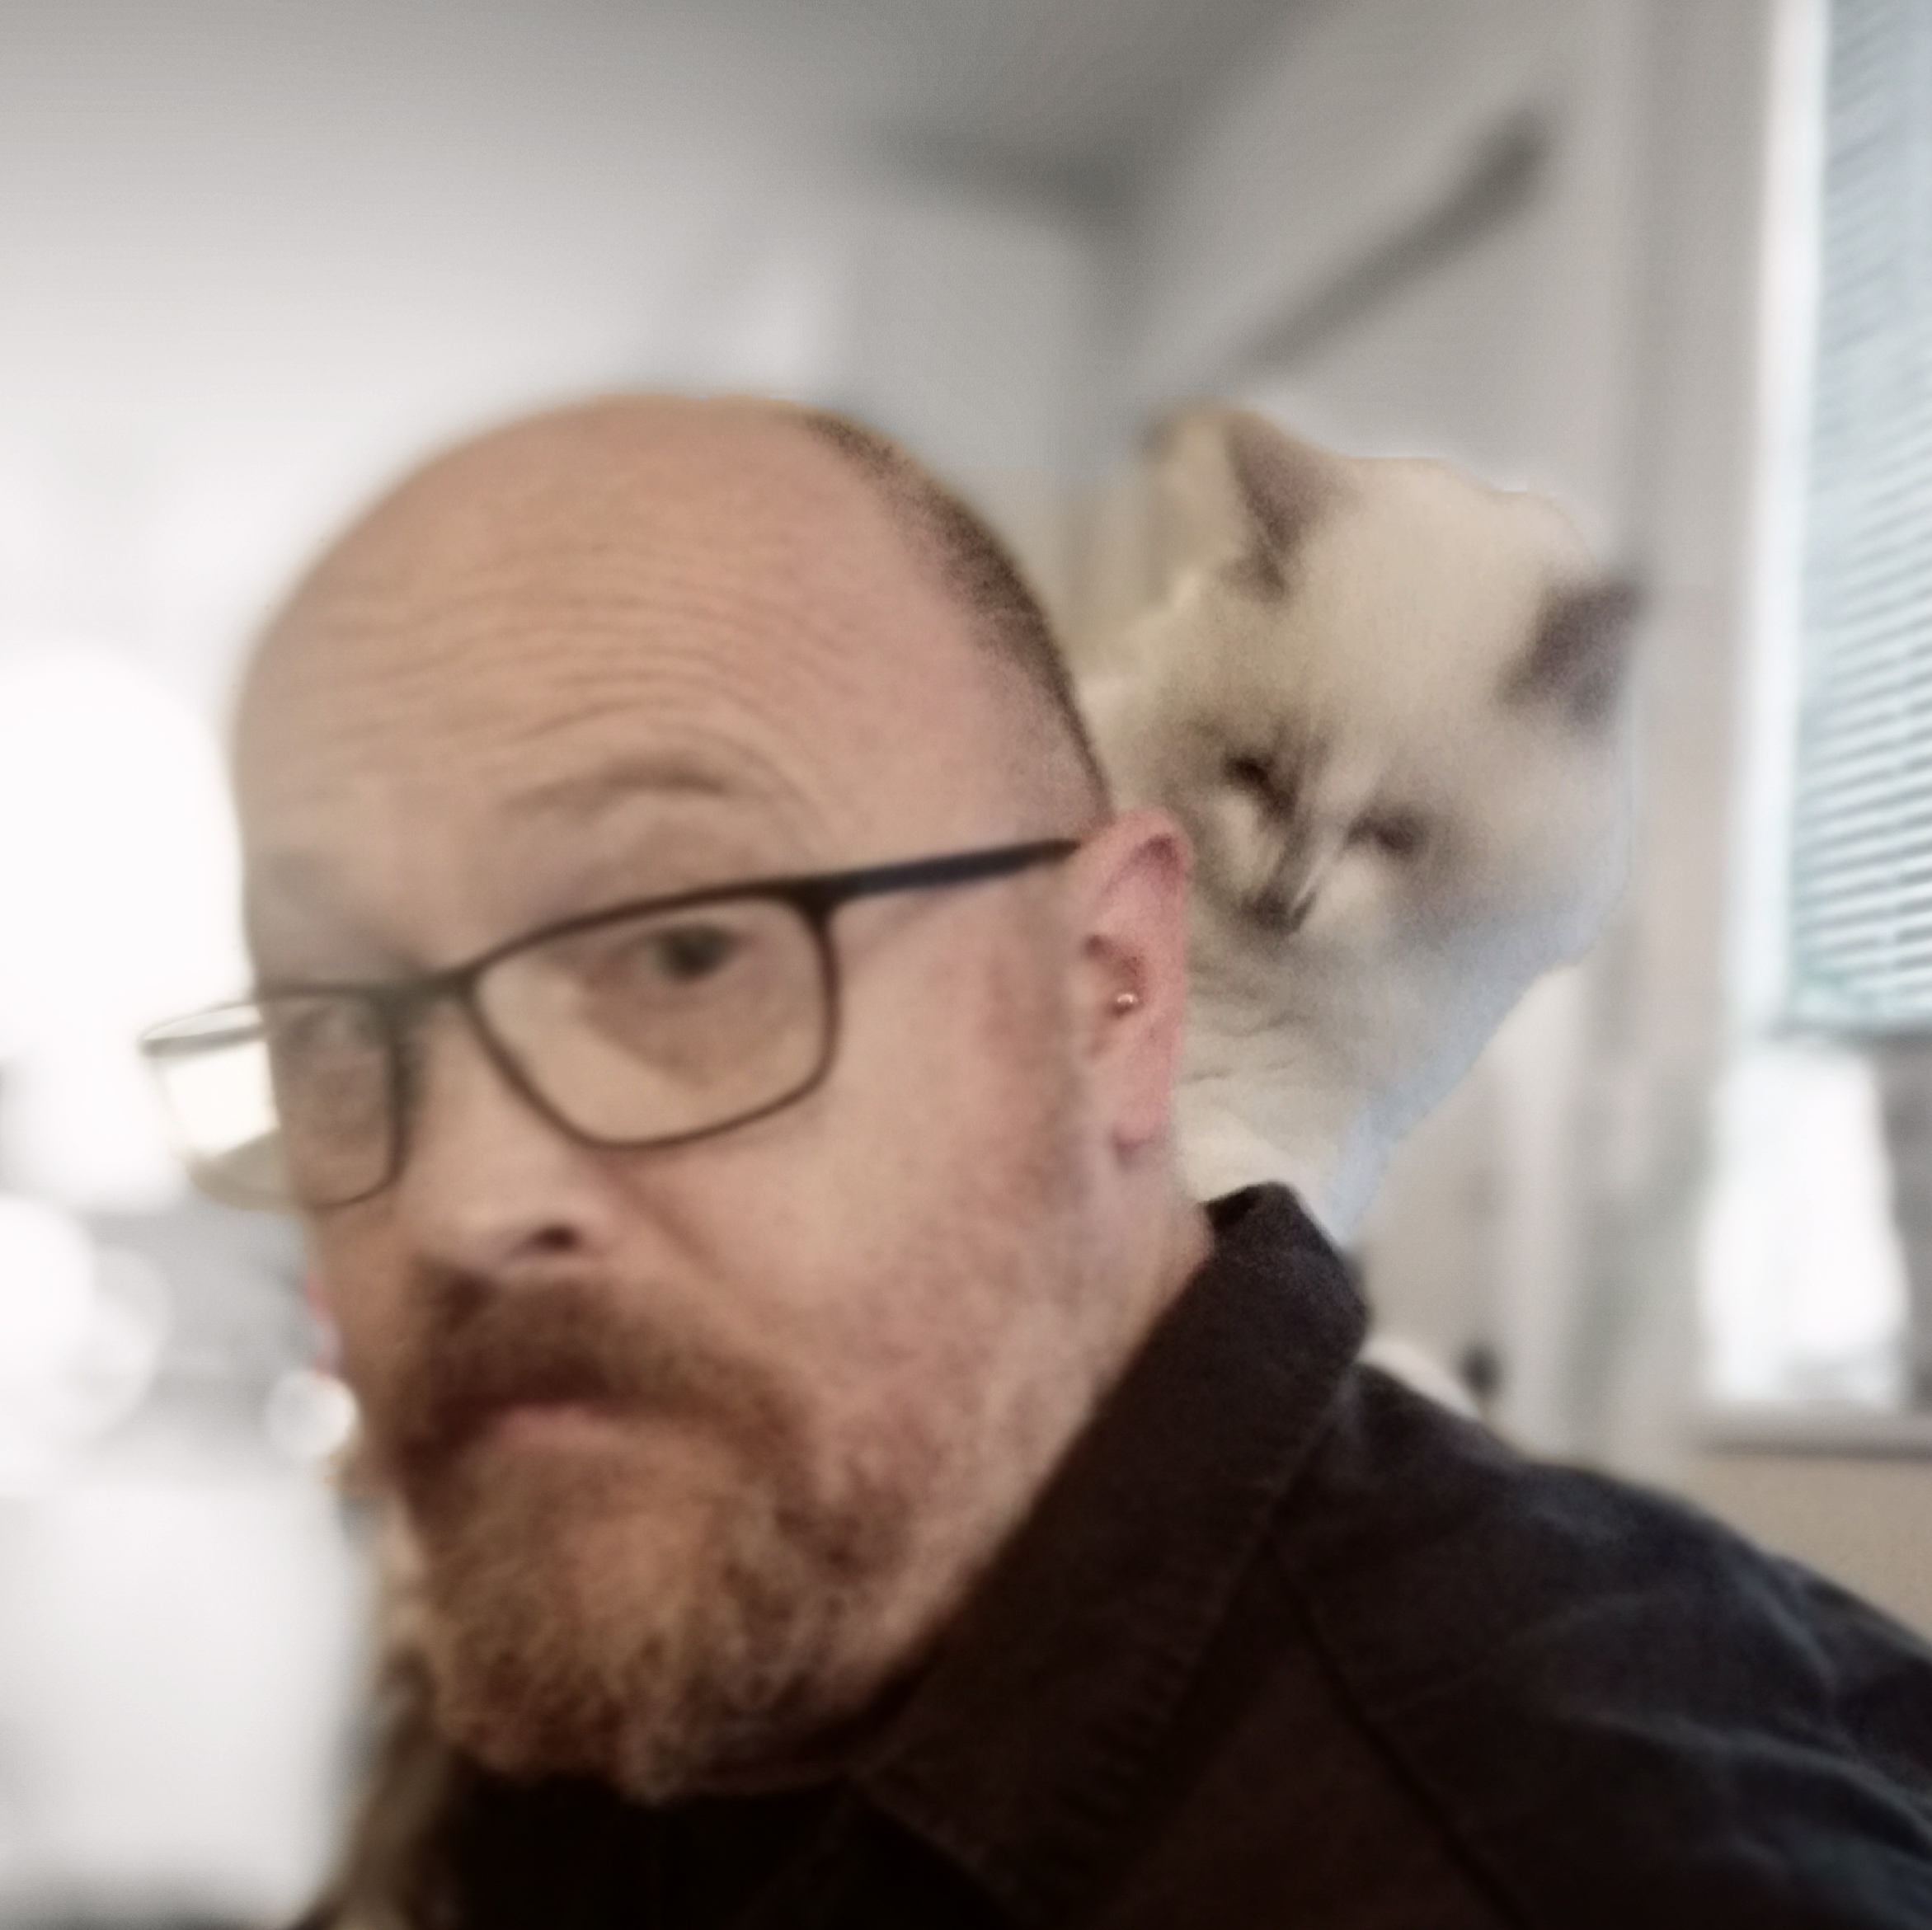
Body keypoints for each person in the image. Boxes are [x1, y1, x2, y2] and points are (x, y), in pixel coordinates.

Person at [146, 395, 1932, 1927]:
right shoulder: (586, 1671)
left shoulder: (1553, 1854)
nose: (458, 1208)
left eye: (686, 952)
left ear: (1109, 982)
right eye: (328, 1020)